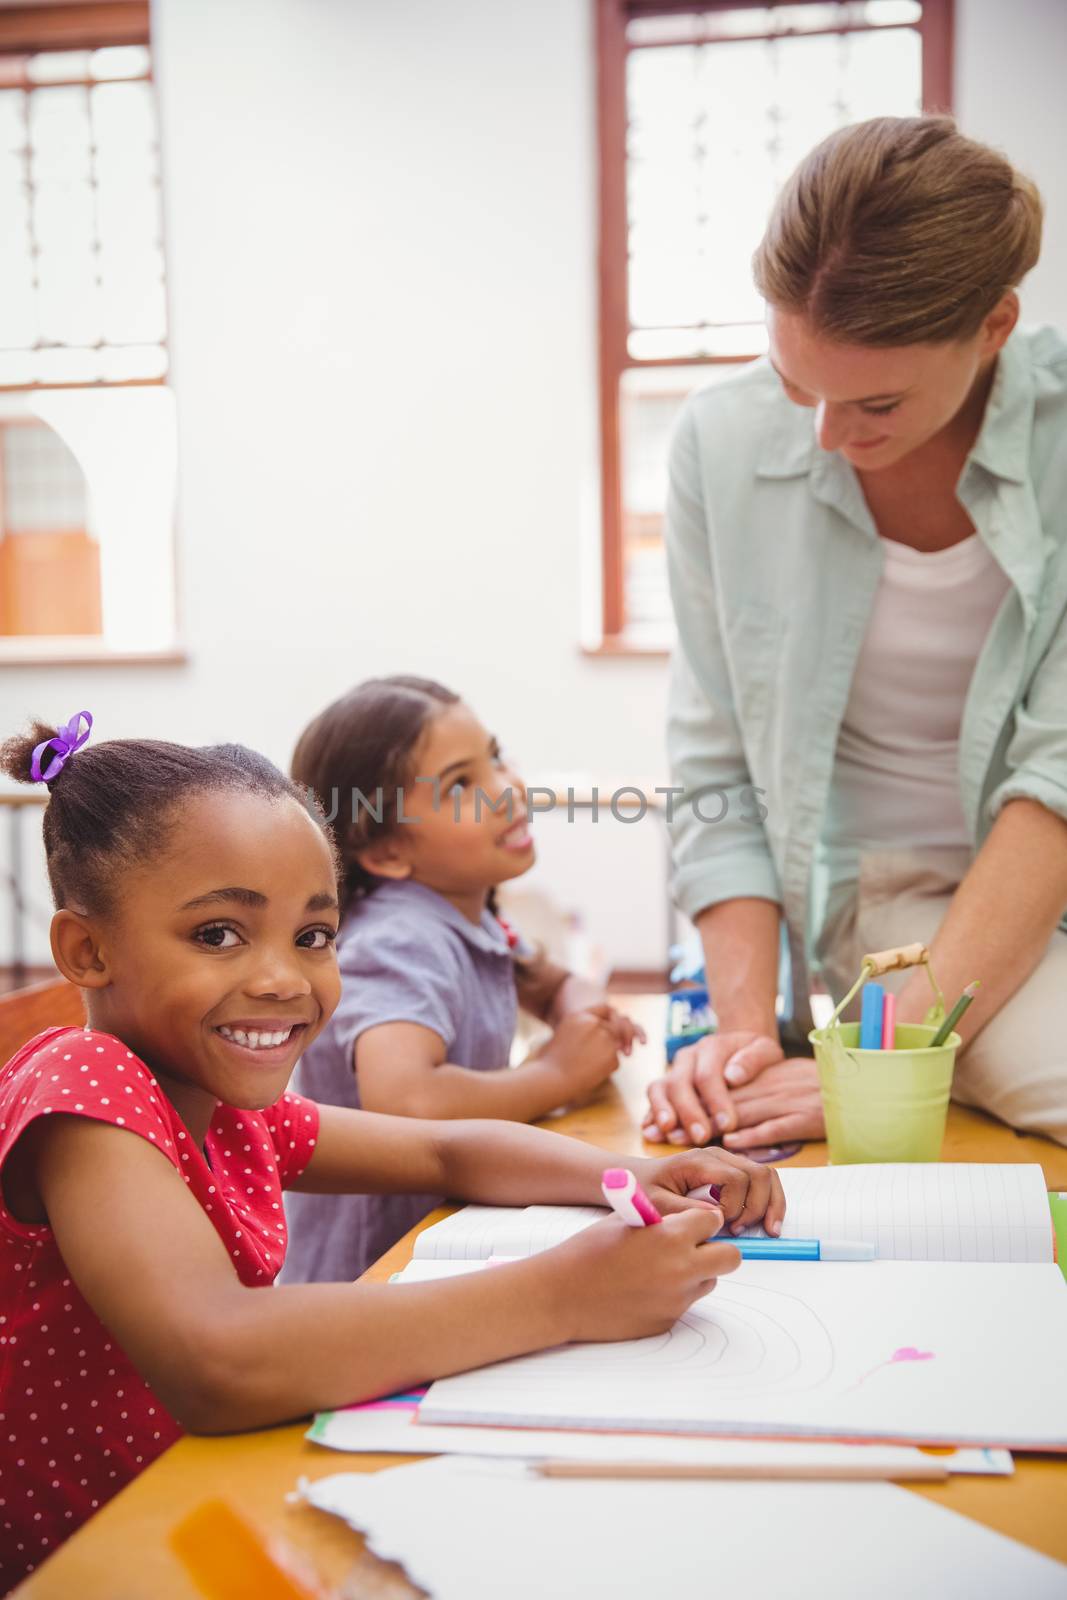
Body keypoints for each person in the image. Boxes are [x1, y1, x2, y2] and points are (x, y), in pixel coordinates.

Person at [0, 712, 781, 1585]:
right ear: (86, 949)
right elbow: (215, 1356)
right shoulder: (86, 1086)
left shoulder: (223, 1108)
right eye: (218, 933)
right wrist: (568, 1293)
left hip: (208, 1502)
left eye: (313, 936)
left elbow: (447, 1152)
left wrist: (628, 1173)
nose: (283, 978)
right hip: (93, 1557)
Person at [644, 115, 1067, 1157]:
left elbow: (1055, 773)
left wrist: (886, 1066)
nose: (825, 437)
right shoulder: (719, 444)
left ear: (994, 324)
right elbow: (714, 762)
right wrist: (745, 1038)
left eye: (873, 400)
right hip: (903, 899)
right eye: (797, 386)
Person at [283, 675, 645, 1283]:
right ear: (388, 853)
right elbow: (406, 1101)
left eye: (496, 758)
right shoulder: (400, 939)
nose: (505, 791)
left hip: (445, 1238)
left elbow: (550, 982)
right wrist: (555, 1073)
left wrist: (586, 1014)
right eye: (460, 786)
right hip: (374, 1278)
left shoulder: (464, 913)